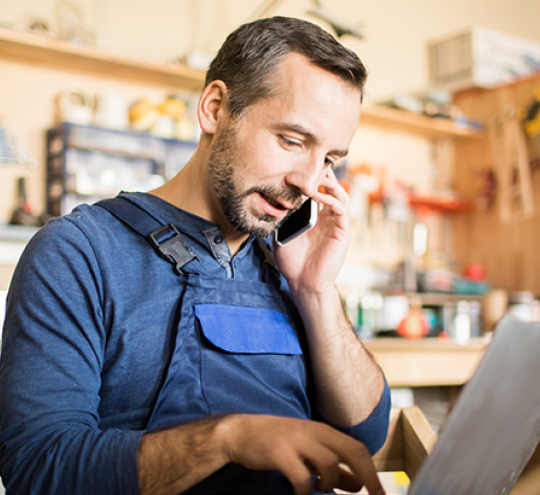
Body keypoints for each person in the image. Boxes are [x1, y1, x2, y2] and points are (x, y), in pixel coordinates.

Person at [0, 16, 390, 495]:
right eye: (292, 141)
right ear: (215, 108)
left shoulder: (290, 265)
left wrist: (317, 292)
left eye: (329, 159)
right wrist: (228, 438)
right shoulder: (79, 253)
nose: (309, 182)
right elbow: (38, 468)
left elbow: (363, 438)